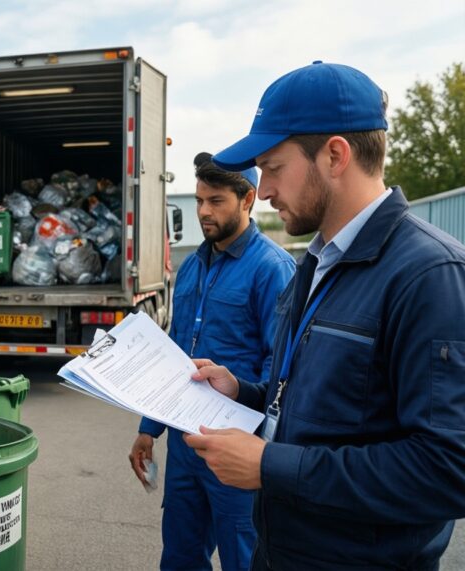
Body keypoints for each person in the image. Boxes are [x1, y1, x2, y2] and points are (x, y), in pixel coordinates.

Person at [183, 61, 465, 570]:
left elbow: (447, 469)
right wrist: (245, 392)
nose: (263, 190)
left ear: (335, 155)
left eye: (272, 167)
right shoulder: (313, 263)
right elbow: (329, 406)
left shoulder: (430, 275)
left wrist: (272, 465)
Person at [129, 153, 294, 571]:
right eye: (200, 200)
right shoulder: (191, 268)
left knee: (244, 558)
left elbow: (283, 368)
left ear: (248, 199)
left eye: (216, 200)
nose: (203, 211)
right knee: (181, 557)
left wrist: (264, 448)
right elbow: (174, 352)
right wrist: (149, 429)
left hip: (238, 445)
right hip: (187, 444)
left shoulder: (272, 269)